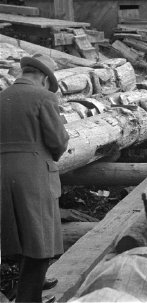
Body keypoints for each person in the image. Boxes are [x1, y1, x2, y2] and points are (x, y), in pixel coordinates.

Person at [1, 54, 69, 302]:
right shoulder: (44, 97)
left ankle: (28, 289)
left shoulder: (2, 97)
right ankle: (29, 299)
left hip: (3, 176)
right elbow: (58, 141)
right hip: (34, 177)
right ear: (43, 77)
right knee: (41, 243)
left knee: (18, 240)